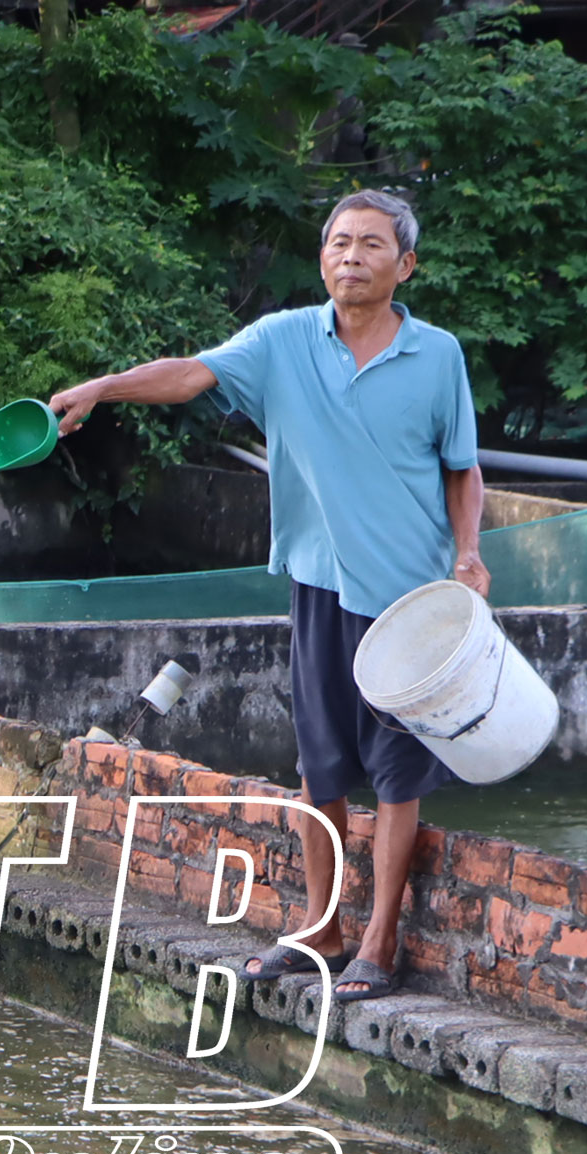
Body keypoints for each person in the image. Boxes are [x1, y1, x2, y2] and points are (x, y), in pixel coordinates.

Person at [46, 188, 486, 1004]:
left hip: (409, 603)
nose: (351, 256)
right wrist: (102, 387)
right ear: (322, 259)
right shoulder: (281, 341)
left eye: (371, 244)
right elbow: (190, 376)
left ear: (406, 265)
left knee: (397, 773)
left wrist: (469, 554)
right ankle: (321, 928)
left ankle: (380, 940)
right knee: (322, 769)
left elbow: (462, 468)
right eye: (339, 243)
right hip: (319, 587)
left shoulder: (438, 356)